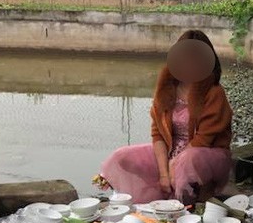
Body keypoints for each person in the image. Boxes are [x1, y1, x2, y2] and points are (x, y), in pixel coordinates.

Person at [99, 30, 232, 205]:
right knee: (121, 156)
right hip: (171, 150)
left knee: (188, 159)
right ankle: (149, 202)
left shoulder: (214, 92)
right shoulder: (165, 88)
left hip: (206, 154)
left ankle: (187, 205)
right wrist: (164, 173)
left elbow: (204, 139)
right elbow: (158, 134)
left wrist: (173, 166)